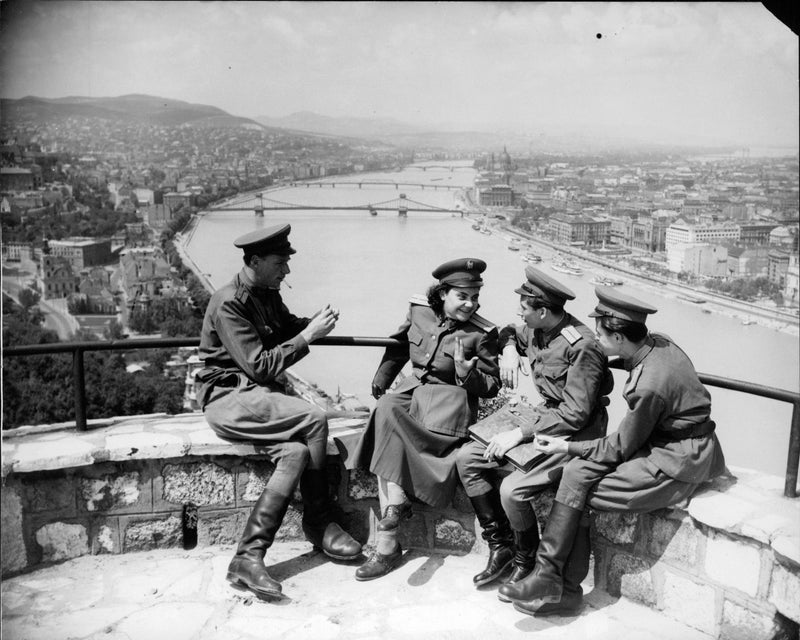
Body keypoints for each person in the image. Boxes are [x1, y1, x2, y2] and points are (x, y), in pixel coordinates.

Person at [499, 286, 727, 616]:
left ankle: (563, 588)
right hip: (664, 442)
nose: (595, 340)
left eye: (600, 335)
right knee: (575, 475)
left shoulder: (650, 384)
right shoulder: (657, 344)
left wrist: (566, 445)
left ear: (619, 338)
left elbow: (620, 446)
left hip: (679, 459)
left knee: (580, 489)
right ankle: (549, 578)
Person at [195, 223, 362, 599]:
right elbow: (259, 366)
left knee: (296, 453)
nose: (286, 270)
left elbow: (285, 328)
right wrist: (308, 336)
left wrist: (312, 324)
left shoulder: (266, 292)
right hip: (228, 397)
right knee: (314, 418)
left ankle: (247, 558)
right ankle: (319, 521)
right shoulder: (228, 303)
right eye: (280, 262)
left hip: (256, 397)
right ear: (255, 261)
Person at [455, 266, 613, 610]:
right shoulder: (537, 328)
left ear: (542, 311)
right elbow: (509, 331)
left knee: (512, 491)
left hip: (572, 430)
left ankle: (526, 561)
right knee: (466, 458)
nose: (518, 312)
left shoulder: (582, 346)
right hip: (544, 416)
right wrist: (511, 349)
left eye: (524, 307)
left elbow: (575, 414)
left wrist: (520, 433)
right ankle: (502, 547)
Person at [344, 258, 501, 581]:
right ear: (442, 294)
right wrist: (383, 375)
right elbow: (401, 344)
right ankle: (395, 512)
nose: (470, 304)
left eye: (475, 297)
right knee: (386, 407)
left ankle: (387, 542)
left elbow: (492, 385)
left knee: (387, 436)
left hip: (446, 411)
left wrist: (466, 374)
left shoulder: (481, 333)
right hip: (412, 394)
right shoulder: (419, 310)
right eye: (462, 296)